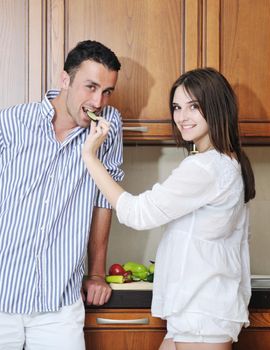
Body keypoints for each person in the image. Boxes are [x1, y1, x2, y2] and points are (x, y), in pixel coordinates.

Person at [0, 40, 124, 349]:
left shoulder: (108, 126)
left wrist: (98, 273)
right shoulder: (7, 124)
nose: (98, 101)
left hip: (58, 304)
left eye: (107, 92)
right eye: (90, 87)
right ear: (65, 80)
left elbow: (103, 201)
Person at [82, 67, 256, 350]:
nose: (182, 117)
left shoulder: (206, 167)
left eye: (194, 107)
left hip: (200, 313)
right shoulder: (225, 162)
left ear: (216, 107)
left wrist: (90, 157)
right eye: (177, 107)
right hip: (197, 311)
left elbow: (137, 213)